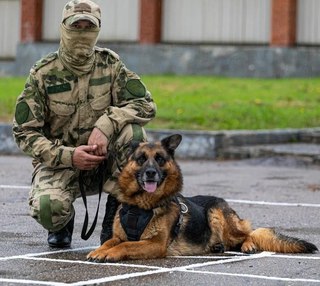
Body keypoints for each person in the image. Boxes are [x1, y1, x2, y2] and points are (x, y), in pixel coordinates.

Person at [12, 0, 156, 248]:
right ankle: (62, 222)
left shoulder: (110, 66)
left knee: (133, 133)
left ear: (97, 30)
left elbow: (145, 103)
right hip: (61, 164)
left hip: (105, 163)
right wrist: (68, 156)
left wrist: (107, 124)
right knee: (49, 208)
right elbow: (25, 132)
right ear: (63, 28)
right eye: (75, 26)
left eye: (88, 27)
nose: (81, 33)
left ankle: (115, 215)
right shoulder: (43, 74)